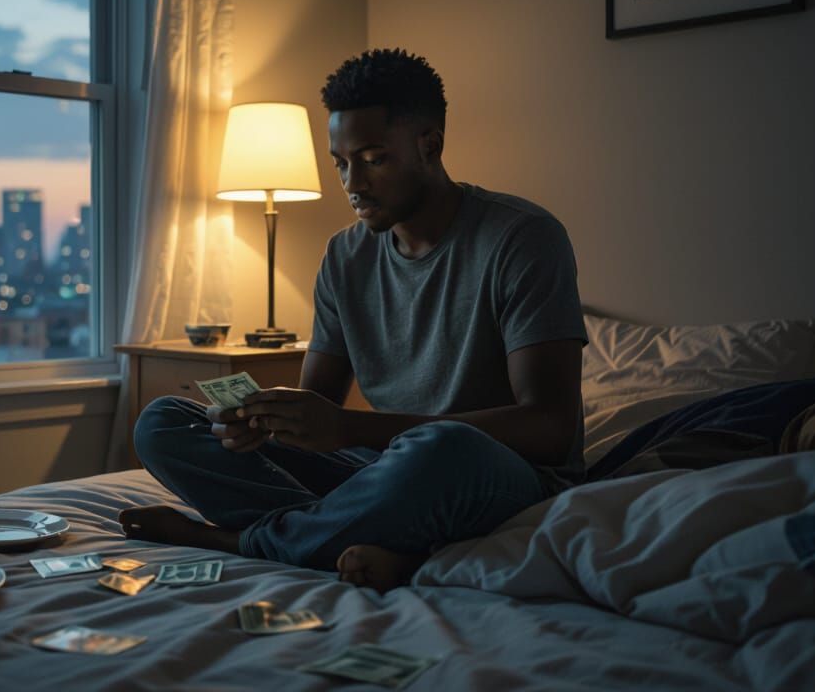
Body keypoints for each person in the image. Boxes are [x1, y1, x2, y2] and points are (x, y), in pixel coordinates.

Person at [119, 48, 587, 593]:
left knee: (441, 447)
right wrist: (262, 422)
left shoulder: (522, 238)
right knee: (163, 422)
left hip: (492, 473)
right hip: (379, 468)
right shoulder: (345, 256)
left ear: (429, 145)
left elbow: (549, 430)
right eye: (340, 162)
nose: (352, 182)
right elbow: (315, 406)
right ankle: (351, 537)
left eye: (372, 158)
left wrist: (352, 429)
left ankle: (241, 541)